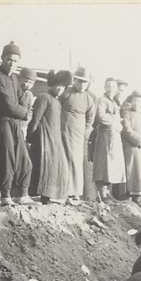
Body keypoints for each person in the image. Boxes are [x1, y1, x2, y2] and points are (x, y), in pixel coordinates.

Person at [0, 41, 33, 206]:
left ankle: (23, 194)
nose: (12, 64)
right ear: (2, 58)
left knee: (24, 159)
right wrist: (25, 113)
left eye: (15, 61)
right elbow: (7, 104)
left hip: (15, 123)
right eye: (9, 60)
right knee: (7, 159)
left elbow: (22, 98)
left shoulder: (14, 78)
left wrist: (24, 111)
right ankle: (6, 196)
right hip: (3, 122)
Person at [27, 69, 71, 204]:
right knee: (43, 165)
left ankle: (47, 197)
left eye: (63, 86)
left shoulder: (57, 102)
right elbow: (36, 118)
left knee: (52, 168)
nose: (60, 89)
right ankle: (40, 196)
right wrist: (30, 136)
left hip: (54, 139)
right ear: (52, 84)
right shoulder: (44, 97)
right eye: (58, 85)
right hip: (43, 138)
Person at [60, 66, 96, 203]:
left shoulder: (88, 99)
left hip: (78, 136)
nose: (82, 85)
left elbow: (91, 118)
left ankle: (75, 193)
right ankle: (62, 191)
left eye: (85, 82)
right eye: (79, 81)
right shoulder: (66, 93)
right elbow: (58, 108)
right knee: (63, 161)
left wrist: (84, 131)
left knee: (76, 163)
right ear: (74, 80)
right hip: (63, 133)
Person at [92, 77, 126, 201]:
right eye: (108, 87)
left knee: (111, 166)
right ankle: (101, 194)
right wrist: (115, 122)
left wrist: (119, 124)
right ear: (104, 87)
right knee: (103, 164)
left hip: (114, 137)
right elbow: (100, 116)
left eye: (113, 87)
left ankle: (106, 193)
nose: (111, 89)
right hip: (105, 136)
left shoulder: (115, 103)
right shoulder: (101, 100)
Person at [121, 90, 141, 203]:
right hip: (130, 148)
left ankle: (138, 196)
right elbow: (126, 130)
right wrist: (138, 140)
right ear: (131, 102)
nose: (136, 103)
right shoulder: (126, 114)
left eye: (139, 101)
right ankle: (128, 195)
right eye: (134, 101)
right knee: (130, 170)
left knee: (140, 172)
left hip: (140, 149)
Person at [17, 67, 37, 140]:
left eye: (30, 83)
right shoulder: (14, 91)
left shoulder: (29, 95)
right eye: (26, 81)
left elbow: (30, 111)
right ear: (20, 79)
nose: (27, 84)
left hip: (23, 125)